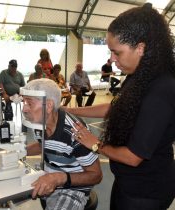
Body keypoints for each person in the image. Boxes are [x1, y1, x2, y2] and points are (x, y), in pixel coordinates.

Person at [66, 3, 175, 210]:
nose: (112, 59)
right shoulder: (138, 75)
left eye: (117, 52)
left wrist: (96, 144)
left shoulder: (162, 89)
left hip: (146, 191)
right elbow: (114, 107)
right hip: (128, 182)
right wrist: (69, 110)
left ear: (141, 48)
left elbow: (133, 157)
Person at [22, 78, 102, 210]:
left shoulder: (75, 132)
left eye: (29, 103)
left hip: (73, 189)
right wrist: (19, 151)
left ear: (48, 106)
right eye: (24, 102)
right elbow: (46, 145)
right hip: (50, 178)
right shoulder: (39, 122)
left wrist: (59, 178)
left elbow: (96, 175)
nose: (24, 109)